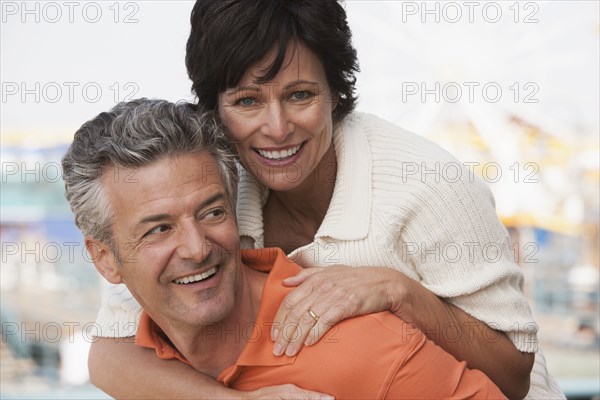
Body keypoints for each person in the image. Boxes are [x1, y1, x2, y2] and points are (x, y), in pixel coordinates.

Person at [87, 1, 565, 399]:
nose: (276, 128)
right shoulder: (209, 186)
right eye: (247, 101)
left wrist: (400, 291)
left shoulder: (428, 186)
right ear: (214, 109)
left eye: (299, 95)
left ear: (336, 93)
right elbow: (110, 352)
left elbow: (514, 373)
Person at [63, 98, 506, 399]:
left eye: (213, 212)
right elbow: (104, 357)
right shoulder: (144, 363)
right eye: (159, 229)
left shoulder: (365, 350)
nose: (196, 248)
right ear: (104, 259)